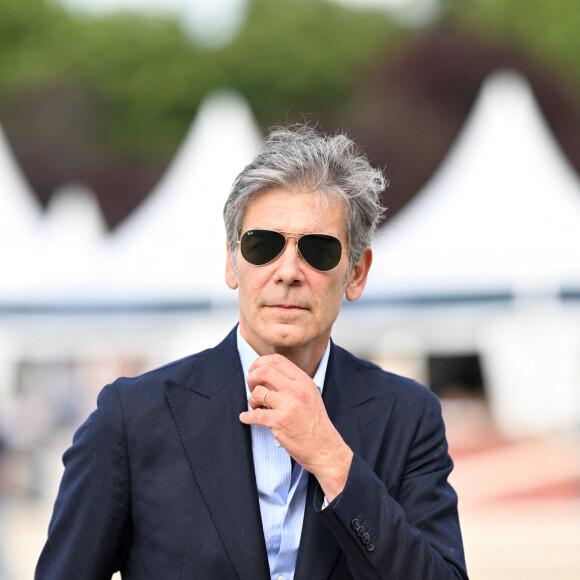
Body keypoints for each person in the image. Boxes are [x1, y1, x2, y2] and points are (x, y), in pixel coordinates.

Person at [36, 124, 468, 579]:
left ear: (356, 273)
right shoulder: (131, 418)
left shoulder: (408, 415)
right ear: (231, 262)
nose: (287, 271)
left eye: (318, 250)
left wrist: (333, 461)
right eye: (263, 246)